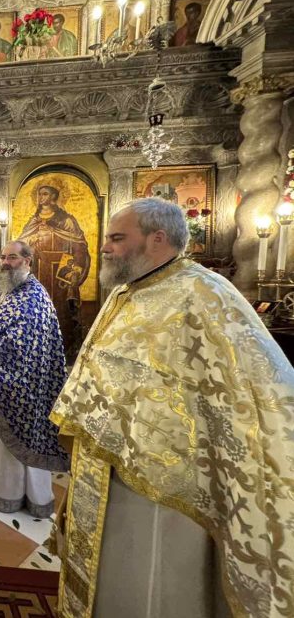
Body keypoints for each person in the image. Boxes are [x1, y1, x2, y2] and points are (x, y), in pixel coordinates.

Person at [50, 198, 294, 618]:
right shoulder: (126, 291)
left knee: (154, 582)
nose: (104, 248)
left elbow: (258, 385)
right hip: (108, 467)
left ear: (157, 239)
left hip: (170, 479)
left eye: (116, 238)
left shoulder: (206, 295)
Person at [0, 241, 68, 517]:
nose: (5, 262)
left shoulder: (35, 296)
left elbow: (21, 345)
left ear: (27, 261)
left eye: (12, 257)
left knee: (15, 442)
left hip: (22, 387)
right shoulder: (4, 292)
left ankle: (16, 495)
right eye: (3, 257)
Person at [17, 183, 90, 345]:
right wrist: (31, 241)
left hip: (59, 271)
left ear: (54, 197)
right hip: (37, 270)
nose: (41, 197)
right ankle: (35, 344)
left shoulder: (66, 220)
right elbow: (20, 245)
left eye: (45, 194)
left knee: (60, 306)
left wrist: (75, 269)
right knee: (34, 307)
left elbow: (79, 245)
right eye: (39, 194)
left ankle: (63, 345)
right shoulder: (34, 220)